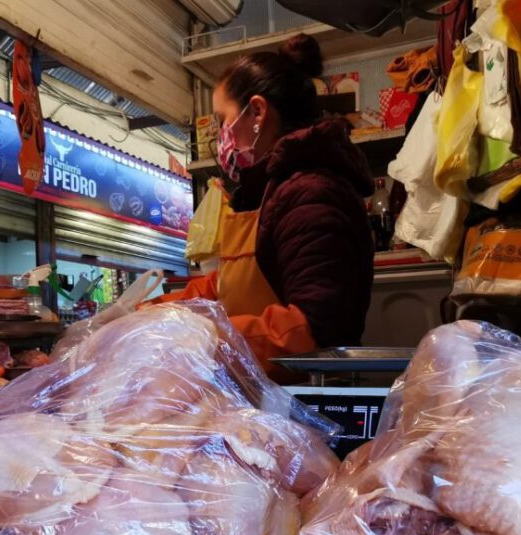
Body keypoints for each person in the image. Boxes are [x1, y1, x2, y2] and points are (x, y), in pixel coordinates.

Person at [154, 34, 375, 380]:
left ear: (257, 111)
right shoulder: (272, 188)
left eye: (222, 119)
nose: (219, 134)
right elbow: (232, 284)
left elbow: (317, 330)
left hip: (300, 405)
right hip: (263, 395)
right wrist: (146, 315)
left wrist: (205, 340)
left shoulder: (312, 193)